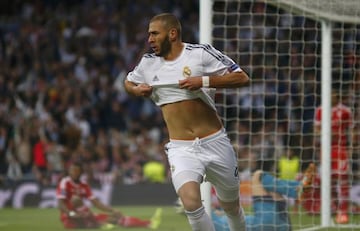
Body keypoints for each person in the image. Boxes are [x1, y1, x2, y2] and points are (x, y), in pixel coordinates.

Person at [124, 13, 250, 231]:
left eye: (154, 33)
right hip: (182, 149)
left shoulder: (200, 54)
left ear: (172, 33)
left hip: (215, 143)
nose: (150, 39)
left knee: (231, 206)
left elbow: (241, 77)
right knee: (191, 203)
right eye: (148, 35)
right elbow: (128, 81)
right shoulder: (148, 63)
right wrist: (136, 90)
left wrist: (203, 81)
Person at [209, 163, 316, 231]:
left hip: (280, 223)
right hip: (267, 222)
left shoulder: (211, 219)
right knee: (258, 176)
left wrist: (218, 211)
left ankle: (298, 188)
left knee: (271, 188)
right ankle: (297, 189)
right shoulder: (211, 219)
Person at [56, 162, 162, 229]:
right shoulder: (65, 182)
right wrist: (70, 213)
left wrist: (112, 210)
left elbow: (96, 203)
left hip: (84, 217)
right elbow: (60, 204)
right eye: (71, 170)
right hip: (70, 218)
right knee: (75, 199)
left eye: (75, 170)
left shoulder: (84, 185)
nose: (73, 172)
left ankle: (149, 223)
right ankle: (100, 224)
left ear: (80, 172)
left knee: (116, 217)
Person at [314, 86, 353, 224]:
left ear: (338, 96)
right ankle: (331, 208)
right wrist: (326, 135)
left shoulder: (346, 111)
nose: (331, 97)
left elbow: (352, 132)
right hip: (325, 150)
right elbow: (316, 131)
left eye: (334, 94)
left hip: (341, 149)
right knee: (327, 180)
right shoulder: (320, 110)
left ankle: (343, 212)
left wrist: (351, 147)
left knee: (343, 180)